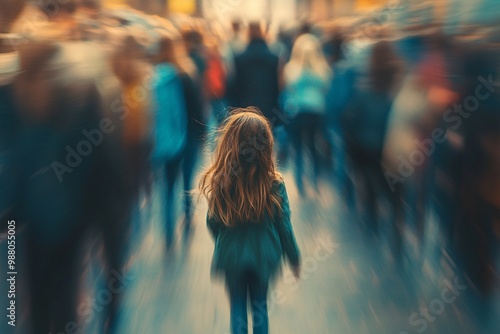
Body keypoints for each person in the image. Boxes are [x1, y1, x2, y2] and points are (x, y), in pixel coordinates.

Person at [199, 108, 301, 334]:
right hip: (263, 256)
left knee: (237, 305)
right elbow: (284, 224)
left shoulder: (221, 182)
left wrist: (222, 240)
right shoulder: (274, 183)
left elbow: (212, 221)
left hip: (231, 257)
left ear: (229, 144)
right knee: (260, 306)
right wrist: (293, 256)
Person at [282, 34, 332, 194]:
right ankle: (315, 180)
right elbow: (326, 88)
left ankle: (300, 182)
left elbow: (289, 87)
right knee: (313, 146)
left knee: (297, 147)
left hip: (297, 111)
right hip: (316, 111)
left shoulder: (292, 68)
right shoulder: (322, 69)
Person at [228, 22, 282, 125]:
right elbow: (276, 87)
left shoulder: (239, 58)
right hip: (268, 107)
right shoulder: (273, 58)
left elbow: (235, 86)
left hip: (245, 108)